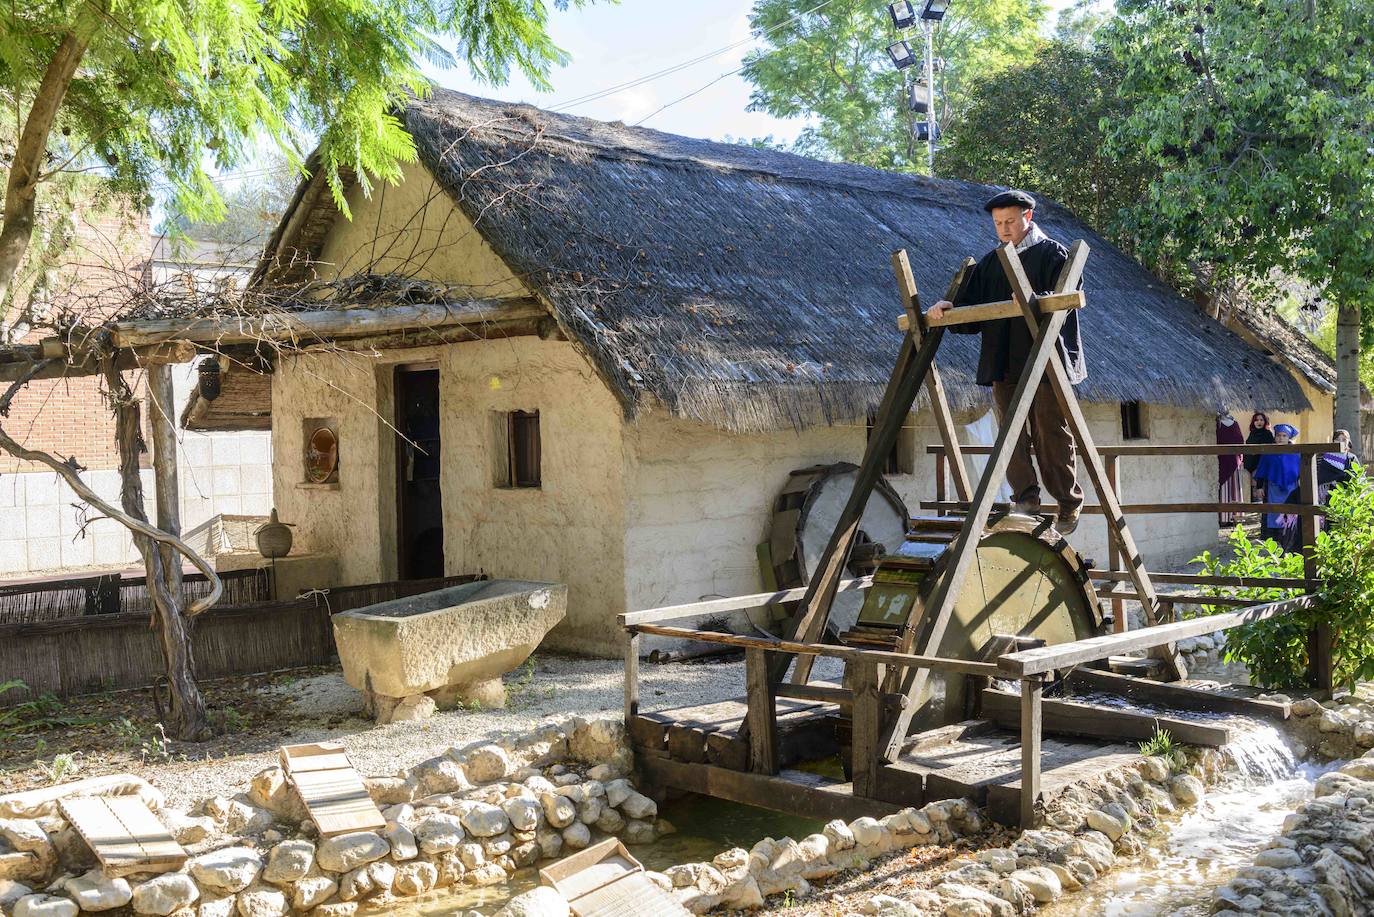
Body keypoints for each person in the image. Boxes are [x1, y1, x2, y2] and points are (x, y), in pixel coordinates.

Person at [927, 189, 1086, 534]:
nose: (1004, 228)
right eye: (998, 223)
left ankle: (1068, 501)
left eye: (1010, 221)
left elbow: (1065, 300)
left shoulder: (1052, 254)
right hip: (1005, 362)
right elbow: (969, 309)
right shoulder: (991, 263)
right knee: (1010, 434)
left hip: (1046, 360)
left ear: (1028, 217)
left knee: (1049, 432)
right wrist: (946, 307)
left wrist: (1036, 300)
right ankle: (1026, 497)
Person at [1253, 422, 1300, 547]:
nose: (1281, 438)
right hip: (1272, 489)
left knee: (1289, 515)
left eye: (1284, 436)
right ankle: (1273, 544)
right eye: (1278, 435)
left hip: (1291, 489)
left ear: (1289, 437)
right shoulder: (1269, 452)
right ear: (1275, 437)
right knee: (1272, 515)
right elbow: (1262, 470)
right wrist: (1259, 487)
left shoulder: (1296, 453)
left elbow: (1300, 471)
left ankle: (1289, 543)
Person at [1217, 412, 1245, 525]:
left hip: (1234, 461)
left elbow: (1240, 441)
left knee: (1234, 489)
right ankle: (1224, 517)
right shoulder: (1217, 424)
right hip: (1221, 460)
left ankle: (1236, 516)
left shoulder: (1235, 424)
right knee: (1224, 488)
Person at [1243, 412, 1275, 502]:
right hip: (1250, 465)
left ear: (1265, 422)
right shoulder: (1252, 433)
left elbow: (1267, 452)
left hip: (1261, 465)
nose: (1259, 422)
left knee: (1260, 493)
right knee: (1251, 493)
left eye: (1261, 420)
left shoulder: (1267, 434)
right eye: (1256, 420)